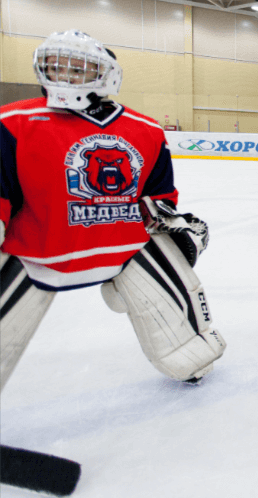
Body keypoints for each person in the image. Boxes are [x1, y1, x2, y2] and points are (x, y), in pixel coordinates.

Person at [1, 30, 225, 390]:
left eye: (79, 70)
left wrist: (176, 230)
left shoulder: (145, 129)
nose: (66, 77)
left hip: (125, 246)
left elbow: (157, 196)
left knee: (188, 341)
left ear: (107, 76)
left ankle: (191, 355)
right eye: (57, 67)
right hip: (36, 252)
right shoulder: (12, 123)